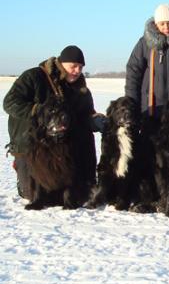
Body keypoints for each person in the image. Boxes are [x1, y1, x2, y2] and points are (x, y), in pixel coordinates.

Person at [3, 45, 103, 202]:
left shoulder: (79, 89)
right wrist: (40, 111)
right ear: (61, 63)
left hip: (63, 148)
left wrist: (96, 120)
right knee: (31, 194)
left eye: (81, 67)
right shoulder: (34, 77)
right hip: (31, 145)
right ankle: (21, 168)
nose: (77, 71)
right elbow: (10, 103)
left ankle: (87, 179)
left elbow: (85, 114)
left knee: (75, 194)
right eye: (73, 66)